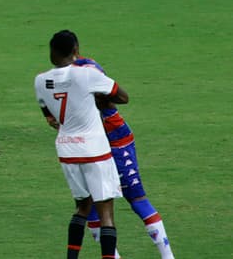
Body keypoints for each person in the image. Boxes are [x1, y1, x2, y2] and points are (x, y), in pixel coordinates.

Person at [71, 48, 175, 259]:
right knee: (89, 205)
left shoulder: (88, 68)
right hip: (87, 147)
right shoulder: (61, 76)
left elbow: (113, 95)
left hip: (116, 142)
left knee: (136, 199)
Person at [34, 30, 129, 259]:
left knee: (82, 206)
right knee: (105, 212)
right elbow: (123, 97)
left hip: (67, 150)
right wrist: (99, 99)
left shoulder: (40, 80)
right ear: (76, 51)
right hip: (95, 150)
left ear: (52, 53)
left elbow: (49, 116)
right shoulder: (87, 74)